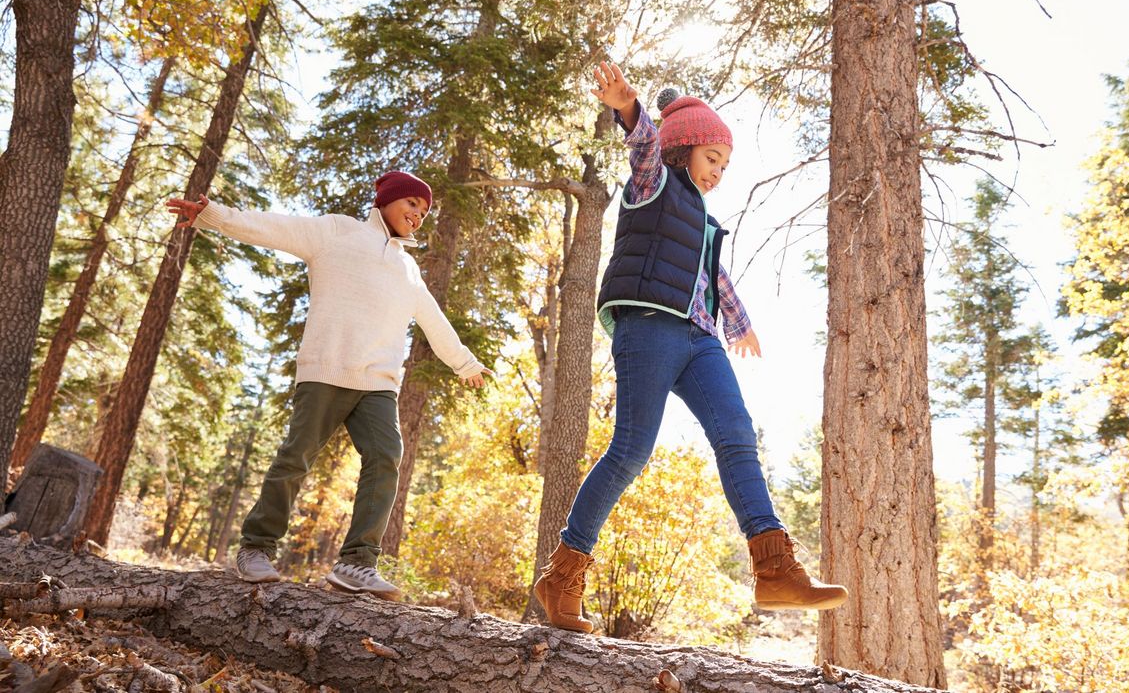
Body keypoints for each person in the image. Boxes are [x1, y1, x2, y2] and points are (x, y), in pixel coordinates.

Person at [533, 63, 847, 633]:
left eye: (725, 166)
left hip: (699, 338)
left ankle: (774, 568)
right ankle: (563, 574)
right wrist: (628, 108)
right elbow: (646, 144)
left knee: (736, 435)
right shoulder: (654, 183)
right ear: (684, 152)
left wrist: (739, 323)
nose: (717, 173)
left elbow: (715, 276)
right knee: (630, 451)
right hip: (649, 324)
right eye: (711, 160)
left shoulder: (704, 218)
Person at [167, 171, 491, 601]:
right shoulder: (336, 231)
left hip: (377, 383)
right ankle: (256, 548)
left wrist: (465, 363)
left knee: (386, 457)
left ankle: (357, 562)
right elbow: (274, 227)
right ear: (388, 200)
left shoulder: (408, 267)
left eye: (425, 211)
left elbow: (434, 320)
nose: (418, 214)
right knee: (296, 457)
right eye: (411, 203)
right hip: (326, 369)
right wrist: (211, 216)